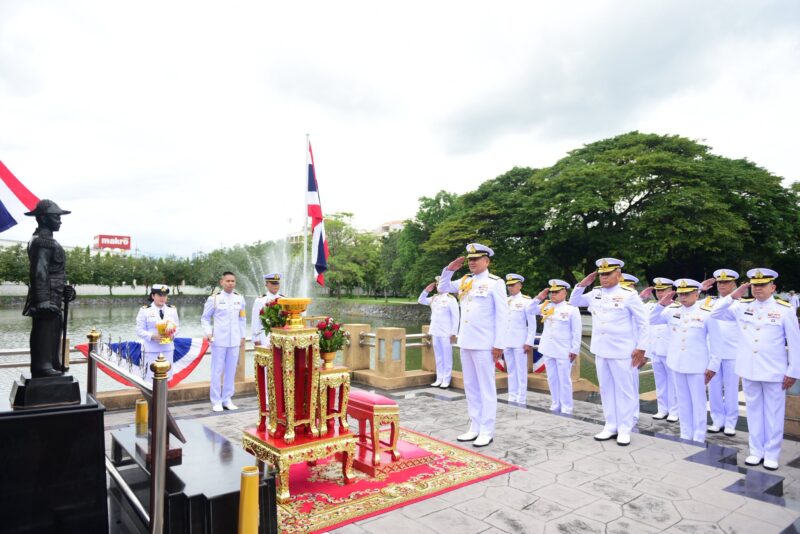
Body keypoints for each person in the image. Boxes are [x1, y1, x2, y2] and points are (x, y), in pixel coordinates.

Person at [710, 268, 800, 470]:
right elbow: (716, 312)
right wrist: (734, 295)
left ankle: (771, 454)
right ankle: (756, 451)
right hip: (749, 369)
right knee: (754, 412)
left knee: (774, 413)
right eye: (755, 285)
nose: (758, 289)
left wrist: (793, 371)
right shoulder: (741, 306)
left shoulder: (784, 310)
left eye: (762, 285)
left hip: (774, 371)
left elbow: (795, 344)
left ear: (773, 287)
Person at [569, 258, 648, 446]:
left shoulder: (629, 295)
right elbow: (573, 302)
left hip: (623, 350)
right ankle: (610, 425)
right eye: (602, 274)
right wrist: (582, 285)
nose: (604, 277)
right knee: (606, 389)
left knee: (625, 390)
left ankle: (625, 428)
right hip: (601, 349)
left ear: (618, 275)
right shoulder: (595, 293)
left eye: (608, 274)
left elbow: (643, 323)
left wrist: (642, 347)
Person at [438, 243, 508, 447]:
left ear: (487, 261)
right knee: (470, 386)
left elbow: (503, 316)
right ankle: (474, 426)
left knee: (486, 387)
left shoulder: (496, 283)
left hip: (485, 343)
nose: (472, 262)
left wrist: (499, 344)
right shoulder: (465, 280)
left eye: (476, 259)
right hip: (466, 341)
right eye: (470, 259)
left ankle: (487, 430)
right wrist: (450, 270)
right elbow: (443, 288)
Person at [650, 279, 715, 443]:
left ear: (696, 293)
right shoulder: (671, 310)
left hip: (697, 365)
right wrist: (661, 304)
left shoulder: (707, 313)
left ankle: (699, 437)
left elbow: (716, 342)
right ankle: (685, 434)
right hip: (676, 363)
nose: (683, 297)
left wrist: (713, 366)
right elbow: (651, 320)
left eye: (687, 294)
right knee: (683, 401)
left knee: (698, 403)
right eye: (680, 294)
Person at [22, 199, 75, 378]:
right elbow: (40, 272)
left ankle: (52, 360)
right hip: (47, 296)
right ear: (43, 218)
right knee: (44, 329)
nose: (60, 220)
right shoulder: (42, 242)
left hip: (55, 293)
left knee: (55, 327)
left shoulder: (46, 240)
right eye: (56, 217)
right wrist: (43, 299)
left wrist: (66, 290)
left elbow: (53, 272)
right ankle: (42, 365)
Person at [526, 279, 581, 414]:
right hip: (547, 348)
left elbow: (576, 331)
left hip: (564, 350)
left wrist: (574, 349)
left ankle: (567, 407)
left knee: (564, 380)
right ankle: (555, 403)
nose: (553, 294)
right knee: (552, 378)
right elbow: (530, 310)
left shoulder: (571, 309)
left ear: (564, 293)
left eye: (556, 292)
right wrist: (539, 297)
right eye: (551, 292)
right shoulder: (546, 306)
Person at [702, 269, 741, 436]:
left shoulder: (740, 303)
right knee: (714, 389)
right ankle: (717, 420)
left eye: (726, 282)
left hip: (731, 352)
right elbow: (686, 302)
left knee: (731, 390)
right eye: (720, 282)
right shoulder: (709, 301)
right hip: (713, 354)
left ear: (734, 285)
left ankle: (731, 422)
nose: (722, 285)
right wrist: (700, 289)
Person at [201, 271, 247, 412]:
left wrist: (242, 336)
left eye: (233, 281)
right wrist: (208, 333)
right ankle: (216, 401)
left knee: (230, 370)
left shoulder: (240, 299)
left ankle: (227, 399)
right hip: (219, 340)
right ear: (222, 282)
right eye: (227, 281)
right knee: (217, 370)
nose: (230, 283)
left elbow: (242, 319)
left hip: (234, 340)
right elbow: (205, 318)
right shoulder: (214, 299)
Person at [639, 278, 679, 422]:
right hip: (655, 349)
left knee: (674, 383)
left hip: (670, 351)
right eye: (658, 290)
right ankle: (662, 409)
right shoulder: (650, 307)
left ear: (671, 292)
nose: (660, 293)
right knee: (660, 382)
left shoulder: (677, 308)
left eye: (664, 290)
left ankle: (674, 411)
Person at [418, 277, 460, 388]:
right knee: (439, 356)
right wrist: (426, 291)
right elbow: (421, 300)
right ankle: (439, 378)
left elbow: (456, 318)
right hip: (435, 331)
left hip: (446, 333)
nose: (438, 286)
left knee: (447, 357)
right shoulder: (434, 298)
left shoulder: (451, 299)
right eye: (437, 284)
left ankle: (446, 379)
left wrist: (453, 333)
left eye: (440, 283)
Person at [136, 284, 179, 380]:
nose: (162, 298)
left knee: (167, 378)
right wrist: (152, 336)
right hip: (151, 350)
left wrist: (173, 335)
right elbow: (139, 330)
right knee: (150, 378)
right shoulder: (145, 310)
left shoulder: (172, 310)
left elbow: (177, 327)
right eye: (160, 295)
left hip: (168, 349)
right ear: (153, 296)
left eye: (165, 295)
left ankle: (164, 395)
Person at [504, 273, 535, 403]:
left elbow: (532, 324)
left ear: (520, 285)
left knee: (521, 371)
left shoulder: (527, 301)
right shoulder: (504, 301)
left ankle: (521, 397)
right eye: (509, 285)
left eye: (513, 285)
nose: (510, 288)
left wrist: (529, 342)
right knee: (511, 370)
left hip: (520, 341)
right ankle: (512, 395)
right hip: (506, 340)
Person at [622, 273, 644, 425]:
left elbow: (644, 329)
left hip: (634, 352)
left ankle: (634, 414)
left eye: (628, 286)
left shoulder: (638, 304)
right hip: (621, 350)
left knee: (632, 385)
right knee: (620, 386)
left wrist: (644, 352)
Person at [252, 273, 283, 347]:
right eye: (273, 283)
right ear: (266, 285)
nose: (275, 285)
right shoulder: (260, 300)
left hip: (281, 336)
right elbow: (255, 320)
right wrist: (256, 338)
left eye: (277, 283)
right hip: (265, 336)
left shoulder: (284, 299)